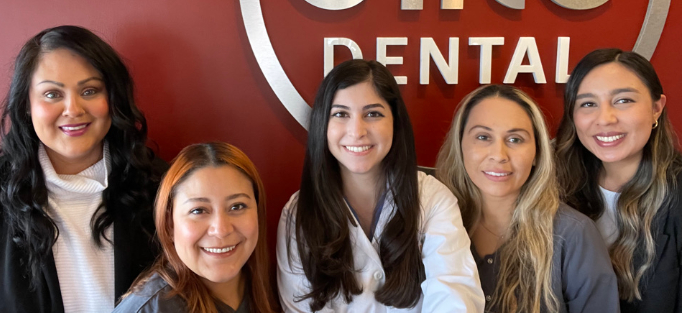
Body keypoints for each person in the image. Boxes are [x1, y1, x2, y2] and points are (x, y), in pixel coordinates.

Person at [0, 25, 167, 312]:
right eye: (52, 94)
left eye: (90, 90)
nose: (73, 109)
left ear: (113, 100)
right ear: (26, 104)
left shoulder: (163, 188)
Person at [277, 59, 484, 312]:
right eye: (341, 114)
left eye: (373, 114)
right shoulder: (299, 213)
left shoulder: (432, 199)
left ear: (395, 122)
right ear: (323, 125)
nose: (357, 131)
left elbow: (455, 293)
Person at [436, 85, 619, 313]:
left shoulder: (573, 234)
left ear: (537, 153)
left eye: (515, 139)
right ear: (461, 146)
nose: (499, 155)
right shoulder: (432, 224)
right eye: (483, 137)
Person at [555, 48, 681, 313]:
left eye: (623, 100)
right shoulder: (555, 189)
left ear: (656, 108)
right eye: (588, 104)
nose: (605, 119)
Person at [113, 142, 278, 313]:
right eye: (198, 210)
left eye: (237, 206)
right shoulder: (147, 309)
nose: (221, 230)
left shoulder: (276, 287)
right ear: (170, 223)